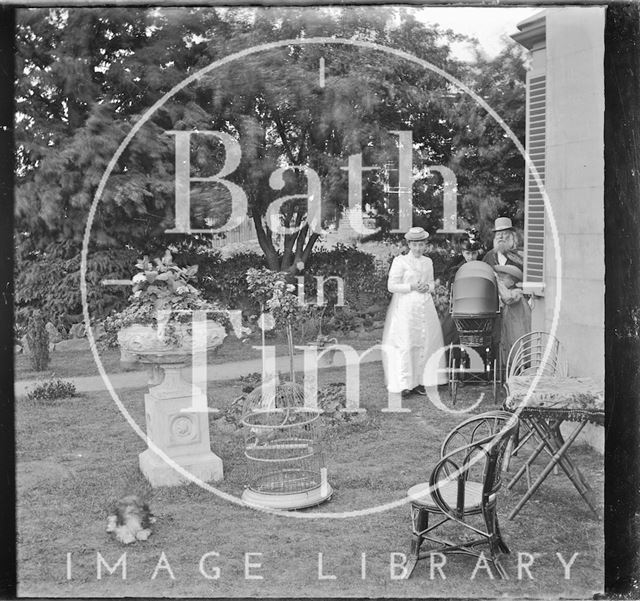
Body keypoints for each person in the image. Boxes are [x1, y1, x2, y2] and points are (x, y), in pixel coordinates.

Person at [382, 227, 447, 398]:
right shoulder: (400, 261)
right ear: (409, 244)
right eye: (415, 245)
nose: (418, 248)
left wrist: (428, 287)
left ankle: (422, 381)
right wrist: (411, 286)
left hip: (425, 307)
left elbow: (432, 283)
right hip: (406, 307)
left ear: (425, 245)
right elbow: (391, 286)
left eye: (421, 245)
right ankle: (405, 383)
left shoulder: (428, 262)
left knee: (425, 343)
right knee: (407, 343)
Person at [494, 265, 532, 365]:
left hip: (518, 332)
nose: (501, 280)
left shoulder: (517, 293)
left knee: (519, 355)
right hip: (511, 332)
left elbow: (508, 298)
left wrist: (498, 282)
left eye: (503, 278)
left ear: (512, 282)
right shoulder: (511, 292)